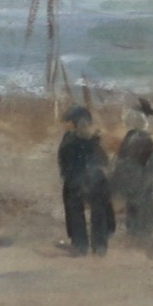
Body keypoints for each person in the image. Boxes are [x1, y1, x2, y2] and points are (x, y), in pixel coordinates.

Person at [57, 105, 113, 255]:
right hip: (95, 182)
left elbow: (63, 162)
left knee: (76, 211)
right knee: (98, 212)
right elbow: (104, 161)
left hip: (77, 182)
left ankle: (80, 245)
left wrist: (68, 175)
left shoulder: (68, 140)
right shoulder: (95, 141)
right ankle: (99, 246)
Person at [110, 108, 153, 249]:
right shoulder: (132, 138)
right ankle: (141, 240)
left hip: (139, 181)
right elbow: (123, 161)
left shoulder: (141, 139)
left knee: (143, 210)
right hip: (136, 182)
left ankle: (149, 241)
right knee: (139, 210)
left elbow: (146, 163)